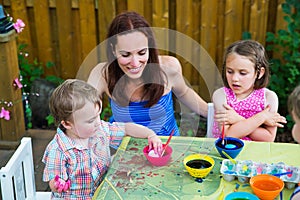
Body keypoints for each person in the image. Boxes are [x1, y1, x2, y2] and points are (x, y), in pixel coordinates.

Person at [87, 11, 208, 137]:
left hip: (166, 147)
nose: (135, 63)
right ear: (113, 49)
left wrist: (212, 112)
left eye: (141, 52)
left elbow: (184, 93)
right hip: (123, 149)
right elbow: (83, 106)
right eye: (126, 54)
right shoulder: (102, 74)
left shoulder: (169, 67)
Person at [42, 79, 162, 200]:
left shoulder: (100, 130)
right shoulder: (58, 150)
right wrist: (59, 183)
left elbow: (126, 128)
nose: (97, 122)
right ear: (68, 124)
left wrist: (150, 134)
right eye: (90, 120)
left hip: (102, 192)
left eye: (97, 115)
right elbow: (53, 182)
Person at [212, 40, 286, 142]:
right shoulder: (221, 95)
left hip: (257, 154)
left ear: (259, 73)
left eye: (242, 73)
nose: (235, 78)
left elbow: (268, 138)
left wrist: (237, 119)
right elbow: (228, 134)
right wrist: (262, 117)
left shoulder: (269, 98)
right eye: (230, 71)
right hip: (226, 153)